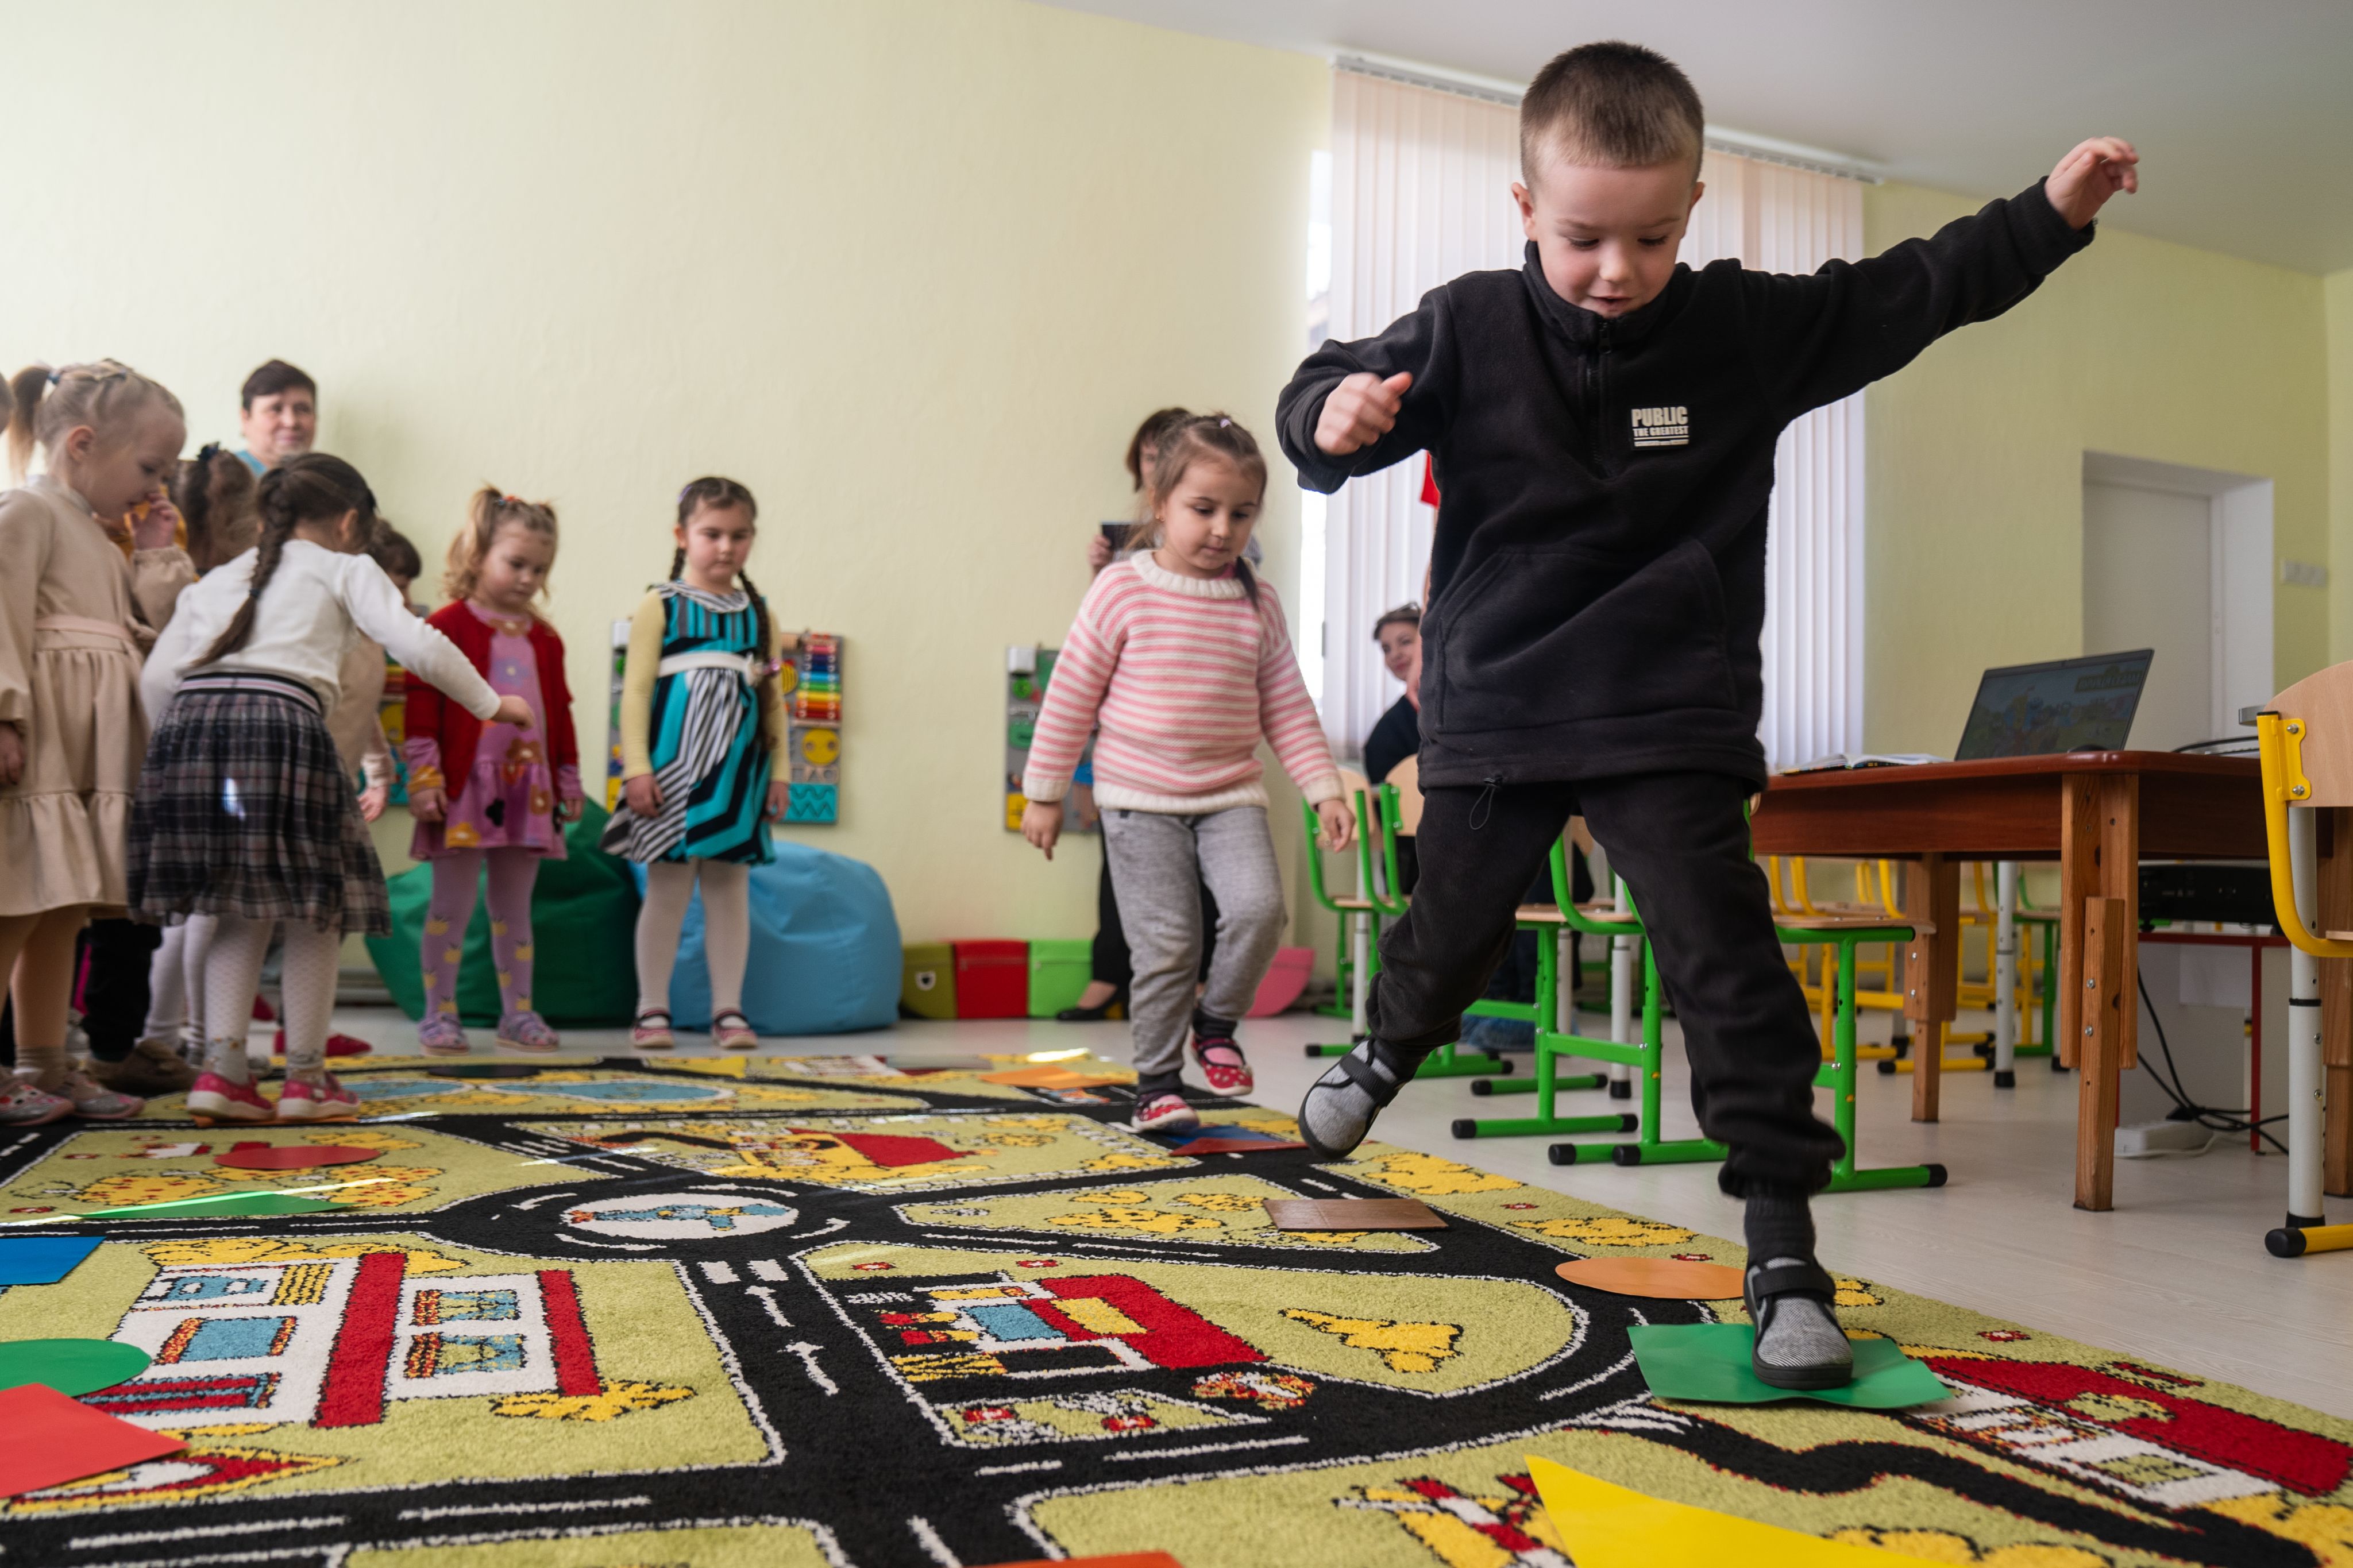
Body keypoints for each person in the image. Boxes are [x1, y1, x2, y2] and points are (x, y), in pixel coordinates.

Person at [1279, 41, 2136, 1389]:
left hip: (1668, 710)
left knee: (1728, 967)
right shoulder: (1464, 324)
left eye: (1652, 236)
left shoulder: (1742, 329)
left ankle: (1785, 1249)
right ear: (1524, 214)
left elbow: (1912, 292)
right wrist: (1332, 416)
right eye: (1581, 240)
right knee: (1452, 932)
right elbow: (1334, 394)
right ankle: (1389, 1041)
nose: (1617, 269)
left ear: (1692, 211)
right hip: (1501, 702)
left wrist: (2049, 212)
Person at [134, 454, 529, 1122]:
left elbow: (155, 680)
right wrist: (493, 704)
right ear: (351, 522)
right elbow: (419, 642)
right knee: (319, 906)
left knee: (235, 902)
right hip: (281, 725)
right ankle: (307, 1081)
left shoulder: (220, 578)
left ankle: (223, 1073)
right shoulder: (349, 569)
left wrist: (176, 753)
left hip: (192, 735)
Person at [1022, 415, 1352, 1133]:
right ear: (1159, 502)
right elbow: (1070, 693)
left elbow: (1287, 705)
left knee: (1261, 910)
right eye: (1202, 510)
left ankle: (1216, 1020)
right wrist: (1043, 794)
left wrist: (1323, 787)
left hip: (1230, 794)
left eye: (1241, 513)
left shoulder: (1256, 601)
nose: (1221, 529)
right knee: (1167, 944)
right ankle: (1157, 1084)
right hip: (1138, 800)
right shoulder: (1121, 589)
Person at [0, 361, 189, 1124]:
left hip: (90, 750)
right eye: (150, 467)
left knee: (64, 906)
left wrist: (152, 551)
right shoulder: (27, 510)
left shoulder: (100, 534)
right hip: (41, 741)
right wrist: (4, 714)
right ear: (82, 442)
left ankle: (47, 1063)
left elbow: (154, 632)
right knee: (13, 904)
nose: (156, 486)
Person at [610, 478, 791, 1053]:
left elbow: (772, 700)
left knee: (728, 892)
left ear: (752, 540)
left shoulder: (757, 615)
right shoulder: (658, 605)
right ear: (682, 536)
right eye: (711, 534)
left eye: (738, 536)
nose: (725, 547)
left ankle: (728, 1010)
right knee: (666, 890)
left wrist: (780, 771)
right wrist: (636, 767)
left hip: (740, 774)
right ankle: (651, 1009)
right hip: (669, 775)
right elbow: (635, 694)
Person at [404, 489, 580, 1055]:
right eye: (517, 563)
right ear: (477, 554)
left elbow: (560, 710)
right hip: (461, 789)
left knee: (515, 908)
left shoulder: (545, 638)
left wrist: (568, 778)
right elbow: (421, 702)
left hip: (527, 789)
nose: (529, 579)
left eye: (540, 569)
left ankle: (518, 1014)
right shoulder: (449, 624)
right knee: (449, 906)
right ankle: (439, 1014)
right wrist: (425, 776)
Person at [1062, 406, 1217, 1023]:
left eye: (1166, 454)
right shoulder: (1126, 555)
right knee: (1121, 856)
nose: (1156, 465)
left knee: (1207, 858)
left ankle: (1199, 982)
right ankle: (1112, 974)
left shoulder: (1222, 537)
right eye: (1149, 458)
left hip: (1198, 728)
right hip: (1130, 727)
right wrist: (1104, 571)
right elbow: (1098, 652)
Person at [234, 361, 317, 476]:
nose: (291, 422)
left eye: (302, 409)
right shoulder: (218, 482)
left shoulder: (332, 481)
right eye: (275, 409)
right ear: (245, 418)